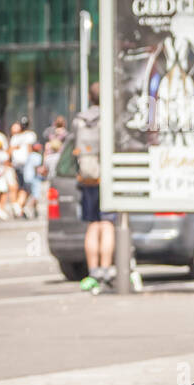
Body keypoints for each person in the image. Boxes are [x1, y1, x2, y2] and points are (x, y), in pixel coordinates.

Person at [72, 83, 116, 289]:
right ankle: (106, 270)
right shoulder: (109, 118)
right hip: (106, 177)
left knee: (92, 223)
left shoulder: (80, 119)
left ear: (90, 97)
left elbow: (75, 150)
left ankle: (93, 271)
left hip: (88, 176)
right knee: (107, 224)